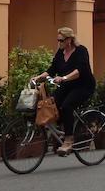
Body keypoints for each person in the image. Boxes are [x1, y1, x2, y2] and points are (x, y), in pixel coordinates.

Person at [34, 27, 95, 157]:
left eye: (61, 40)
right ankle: (65, 127)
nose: (59, 43)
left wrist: (64, 78)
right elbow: (51, 70)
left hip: (83, 86)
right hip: (67, 86)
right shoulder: (60, 53)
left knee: (67, 106)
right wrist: (38, 77)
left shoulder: (81, 51)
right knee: (53, 103)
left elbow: (80, 71)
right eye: (58, 40)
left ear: (69, 40)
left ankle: (68, 140)